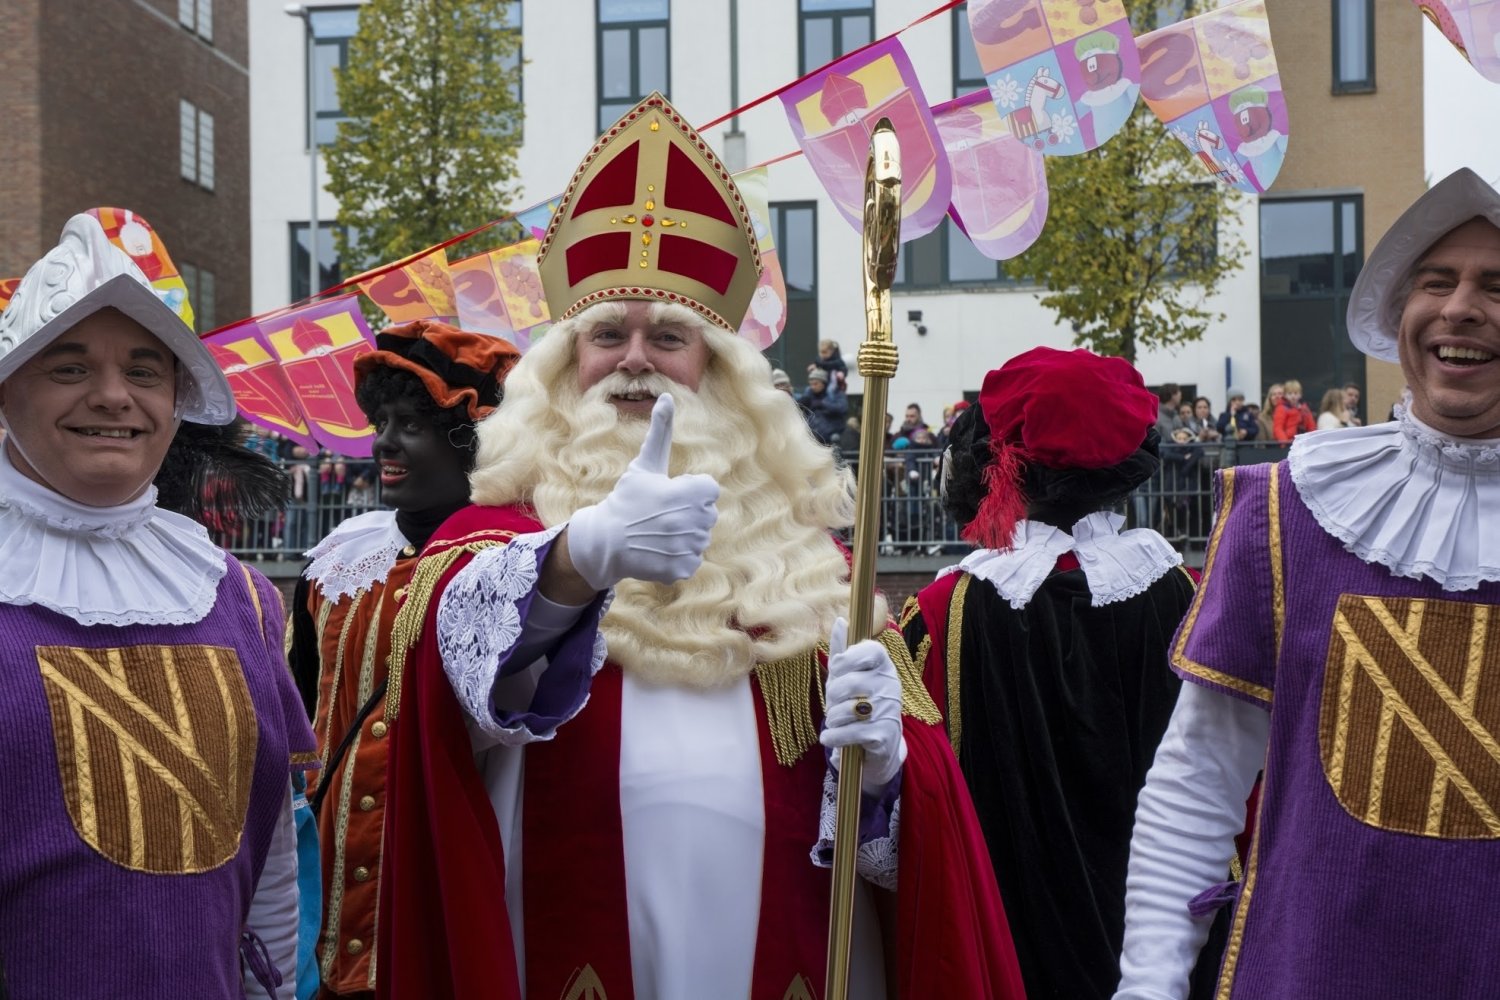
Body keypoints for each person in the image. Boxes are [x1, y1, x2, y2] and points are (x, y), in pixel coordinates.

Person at [375, 93, 1024, 1000]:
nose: (635, 359)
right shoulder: (498, 538)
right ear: (564, 365)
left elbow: (907, 846)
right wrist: (581, 558)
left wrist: (887, 770)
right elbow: (446, 695)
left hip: (782, 948)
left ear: (716, 371)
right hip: (560, 939)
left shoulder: (805, 561)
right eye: (607, 334)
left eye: (668, 336)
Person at [1114, 167, 1500, 999]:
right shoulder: (1288, 511)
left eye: (1496, 286)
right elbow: (1198, 779)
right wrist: (1148, 985)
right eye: (1437, 281)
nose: (1462, 307)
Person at [0, 210, 316, 997]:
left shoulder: (239, 597)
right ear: (7, 390)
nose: (114, 396)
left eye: (144, 371)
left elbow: (270, 863)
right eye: (69, 367)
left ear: (176, 398)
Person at [905, 347, 1229, 1000]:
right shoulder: (1191, 599)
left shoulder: (944, 613)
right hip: (1163, 953)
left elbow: (908, 822)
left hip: (1001, 956)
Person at [286, 320, 519, 999]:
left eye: (412, 426)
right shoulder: (337, 562)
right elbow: (302, 712)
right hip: (320, 889)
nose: (385, 443)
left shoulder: (515, 566)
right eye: (381, 422)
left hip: (440, 882)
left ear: (473, 442)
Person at [794, 367, 848, 445]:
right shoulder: (808, 396)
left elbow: (843, 408)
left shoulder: (835, 393)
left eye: (816, 384)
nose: (813, 387)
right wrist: (800, 405)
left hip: (832, 437)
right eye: (811, 384)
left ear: (823, 383)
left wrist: (823, 404)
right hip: (813, 438)